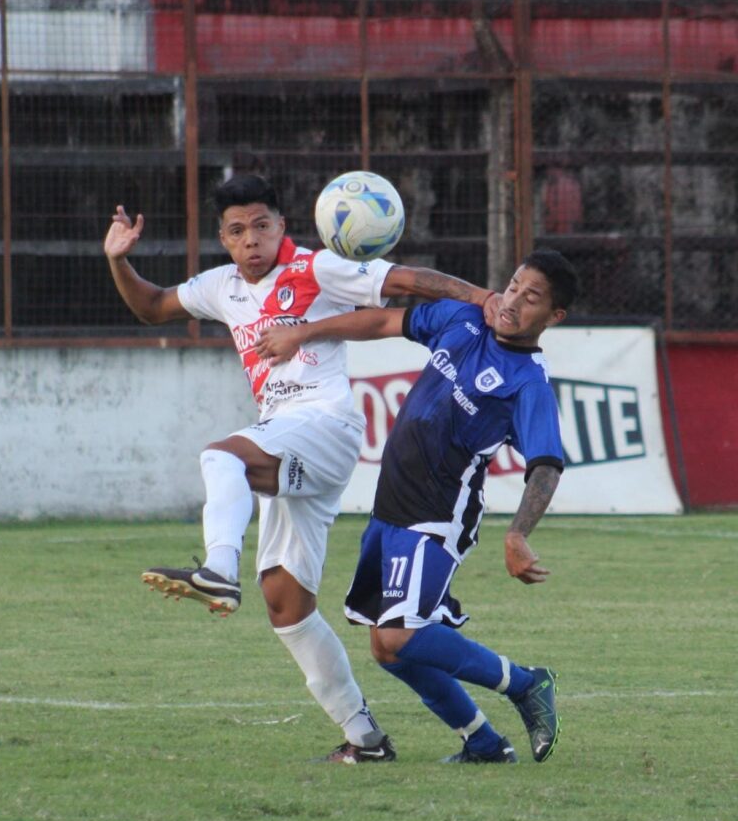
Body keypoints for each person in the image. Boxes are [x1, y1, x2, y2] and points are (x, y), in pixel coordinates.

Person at [103, 173, 498, 764]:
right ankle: (367, 741)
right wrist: (117, 262)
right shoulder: (222, 287)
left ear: (282, 226)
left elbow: (405, 280)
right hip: (286, 439)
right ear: (224, 238)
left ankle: (216, 568)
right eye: (237, 231)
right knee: (287, 605)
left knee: (220, 457)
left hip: (326, 425)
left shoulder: (317, 268)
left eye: (262, 226)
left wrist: (484, 299)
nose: (251, 240)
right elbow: (153, 306)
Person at [255, 248, 579, 764]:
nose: (514, 300)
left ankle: (526, 683)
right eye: (514, 285)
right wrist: (302, 332)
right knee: (387, 649)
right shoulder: (463, 318)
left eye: (531, 297)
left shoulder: (528, 384)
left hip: (438, 513)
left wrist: (519, 533)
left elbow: (546, 464)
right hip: (389, 507)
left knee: (401, 633)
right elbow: (383, 318)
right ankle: (484, 743)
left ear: (554, 317)